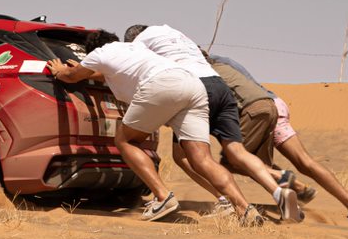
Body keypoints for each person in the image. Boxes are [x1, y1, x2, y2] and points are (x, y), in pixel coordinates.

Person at [48, 30, 264, 226]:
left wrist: (59, 71)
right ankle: (245, 208)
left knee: (125, 141)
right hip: (192, 84)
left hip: (160, 85)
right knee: (202, 158)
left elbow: (72, 76)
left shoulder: (100, 53)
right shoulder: (136, 48)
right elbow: (107, 73)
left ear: (92, 50)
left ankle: (162, 198)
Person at [125, 24, 302, 222]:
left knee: (185, 156)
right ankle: (279, 193)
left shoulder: (141, 45)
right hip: (220, 87)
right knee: (237, 152)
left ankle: (225, 200)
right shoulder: (176, 36)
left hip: (194, 90)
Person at [207, 53, 348, 223]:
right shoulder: (223, 61)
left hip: (255, 110)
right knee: (305, 162)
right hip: (275, 103)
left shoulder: (203, 70)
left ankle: (282, 177)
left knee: (234, 161)